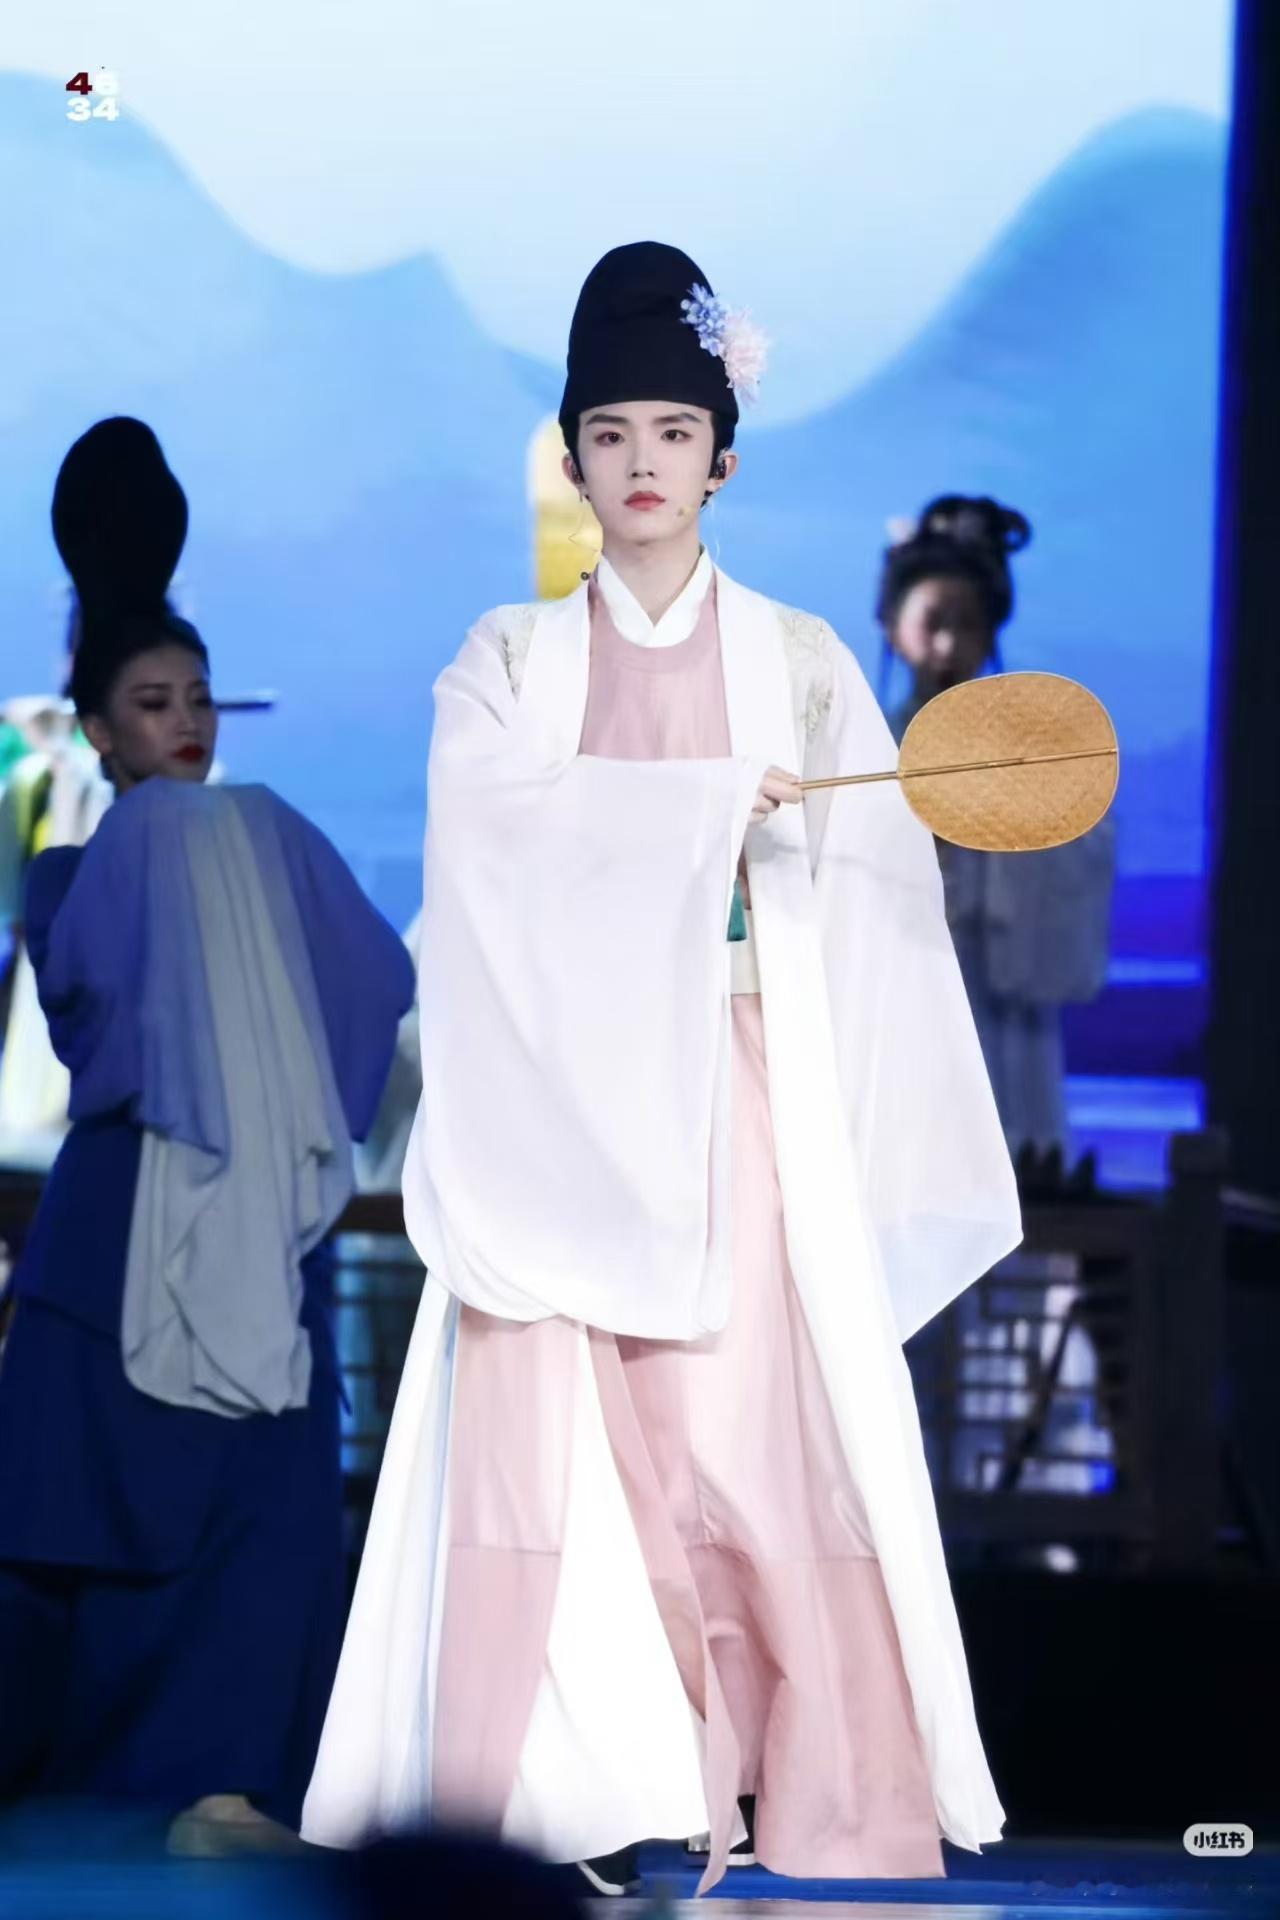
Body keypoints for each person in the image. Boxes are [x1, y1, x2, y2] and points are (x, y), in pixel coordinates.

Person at [303, 243, 1021, 1896]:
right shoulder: (506, 658)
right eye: (611, 433)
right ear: (572, 456)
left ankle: (790, 1786)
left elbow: (877, 883)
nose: (641, 463)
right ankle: (574, 1806)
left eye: (674, 434)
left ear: (723, 462)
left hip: (740, 1100)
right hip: (557, 1117)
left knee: (752, 1443)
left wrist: (770, 856)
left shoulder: (802, 661)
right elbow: (484, 843)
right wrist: (701, 811)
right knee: (555, 1456)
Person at [0, 418, 416, 1852]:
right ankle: (110, 1788)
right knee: (103, 1504)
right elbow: (94, 1006)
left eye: (196, 697)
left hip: (254, 1208)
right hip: (127, 1212)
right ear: (99, 728)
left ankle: (224, 1781)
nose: (183, 720)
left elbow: (371, 981)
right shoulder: (91, 861)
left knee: (254, 1516)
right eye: (150, 700)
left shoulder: (258, 832)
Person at [877, 497, 1116, 1189]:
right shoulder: (861, 745)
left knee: (1011, 1157)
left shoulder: (1032, 751)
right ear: (892, 626)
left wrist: (1013, 834)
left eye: (970, 624)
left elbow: (1084, 847)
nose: (948, 645)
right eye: (933, 622)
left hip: (999, 989)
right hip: (895, 994)